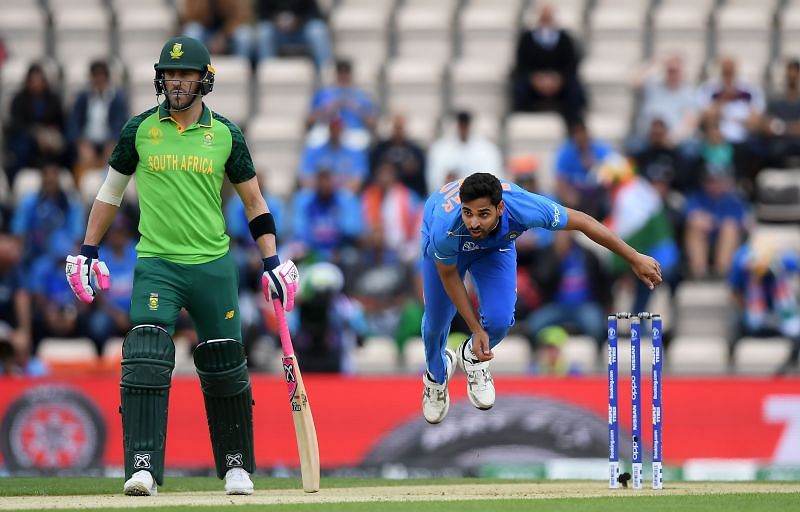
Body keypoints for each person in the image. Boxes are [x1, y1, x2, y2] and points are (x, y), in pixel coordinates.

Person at [64, 37, 299, 497]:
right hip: (157, 263)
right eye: (170, 74)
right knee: (147, 355)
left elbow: (254, 201)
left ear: (203, 80)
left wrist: (272, 260)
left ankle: (236, 467)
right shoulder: (139, 130)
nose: (175, 81)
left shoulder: (226, 134)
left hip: (213, 264)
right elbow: (109, 194)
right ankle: (143, 468)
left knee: (225, 364)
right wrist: (87, 250)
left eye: (185, 74)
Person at [420, 173, 662, 424]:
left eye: (483, 214)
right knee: (436, 322)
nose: (474, 223)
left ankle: (471, 356)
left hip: (494, 248)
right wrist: (473, 327)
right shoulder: (445, 227)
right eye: (468, 213)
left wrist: (634, 257)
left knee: (500, 321)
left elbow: (582, 221)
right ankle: (435, 378)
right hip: (447, 252)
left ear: (500, 208)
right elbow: (450, 277)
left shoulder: (524, 208)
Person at [727, 239, 800, 375]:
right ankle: (730, 369)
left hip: (780, 315)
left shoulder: (786, 260)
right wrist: (747, 308)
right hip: (754, 317)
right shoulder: (741, 263)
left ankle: (790, 367)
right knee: (735, 323)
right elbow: (734, 291)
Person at [512, 4, 586, 126]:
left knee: (575, 90)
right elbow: (522, 64)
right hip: (534, 82)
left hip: (559, 82)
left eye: (548, 18)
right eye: (543, 18)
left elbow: (571, 64)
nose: (546, 22)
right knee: (519, 89)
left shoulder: (565, 38)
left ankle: (574, 126)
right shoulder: (527, 39)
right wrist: (535, 79)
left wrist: (559, 79)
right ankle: (522, 124)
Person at [66, 60, 129, 185]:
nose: (99, 82)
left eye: (102, 78)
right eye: (96, 78)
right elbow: (74, 123)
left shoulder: (118, 99)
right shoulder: (82, 98)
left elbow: (121, 124)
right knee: (79, 160)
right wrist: (81, 143)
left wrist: (113, 143)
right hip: (87, 144)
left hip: (110, 143)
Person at [3, 63, 65, 181]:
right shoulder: (19, 99)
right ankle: (14, 180)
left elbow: (60, 122)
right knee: (21, 149)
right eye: (33, 81)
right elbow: (16, 124)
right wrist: (36, 134)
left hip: (49, 137)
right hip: (26, 137)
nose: (36, 84)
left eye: (39, 80)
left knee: (62, 148)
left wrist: (50, 133)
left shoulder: (53, 99)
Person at [426, 111, 503, 194]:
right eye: (461, 125)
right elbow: (434, 180)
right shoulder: (440, 148)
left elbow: (493, 178)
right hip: (449, 199)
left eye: (465, 125)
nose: (463, 128)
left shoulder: (488, 149)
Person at [255, 0, 332, 71]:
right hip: (277, 32)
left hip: (301, 31)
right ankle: (268, 73)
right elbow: (261, 13)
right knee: (264, 31)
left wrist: (299, 21)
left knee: (318, 30)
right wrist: (275, 21)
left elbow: (315, 13)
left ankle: (326, 75)